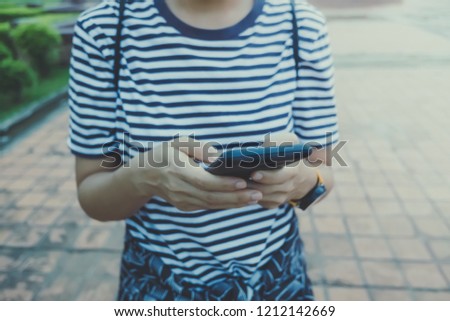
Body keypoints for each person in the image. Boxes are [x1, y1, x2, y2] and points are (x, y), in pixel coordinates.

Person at [68, 0, 339, 300]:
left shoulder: (302, 24)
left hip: (275, 279)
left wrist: (302, 182)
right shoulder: (104, 29)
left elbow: (324, 170)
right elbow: (92, 194)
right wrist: (139, 177)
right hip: (157, 281)